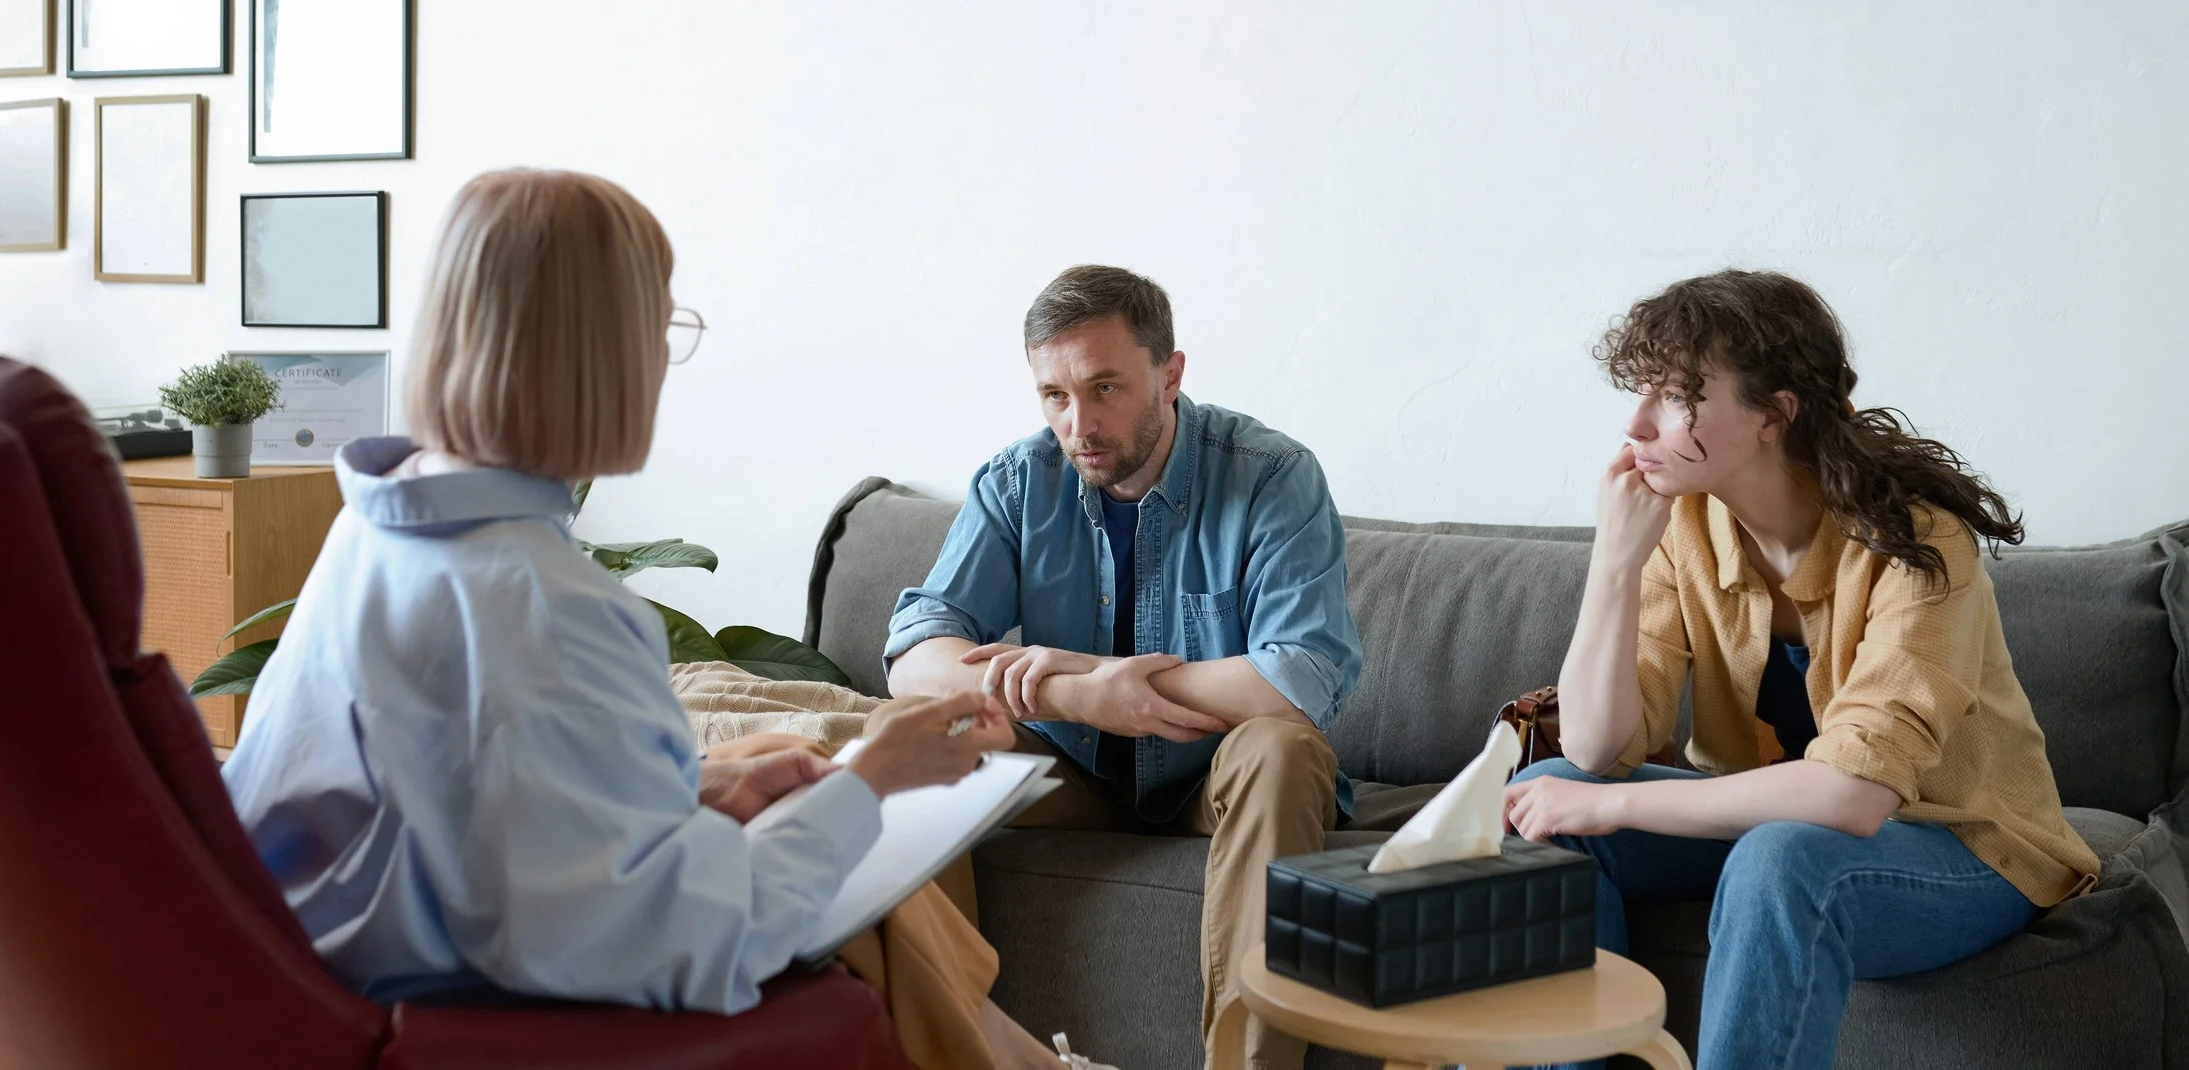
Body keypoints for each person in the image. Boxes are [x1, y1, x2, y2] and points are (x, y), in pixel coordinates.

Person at [221, 168, 1100, 1070]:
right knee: (849, 843)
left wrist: (696, 792)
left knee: (767, 765)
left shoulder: (379, 521)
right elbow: (696, 942)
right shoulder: (550, 606)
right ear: (598, 350)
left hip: (324, 957)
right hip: (453, 1003)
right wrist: (869, 781)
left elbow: (463, 789)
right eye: (660, 326)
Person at [1505, 269, 2099, 1070]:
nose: (1636, 424)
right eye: (1640, 391)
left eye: (1678, 397)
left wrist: (1608, 811)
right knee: (1536, 822)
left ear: (1773, 415)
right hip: (1766, 827)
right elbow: (1597, 745)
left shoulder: (1919, 541)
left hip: (1957, 845)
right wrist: (1612, 565)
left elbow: (1853, 798)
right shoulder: (1683, 525)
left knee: (1780, 859)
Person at [887, 265, 1408, 1070]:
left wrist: (1118, 682)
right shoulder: (1019, 481)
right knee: (920, 733)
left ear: (1171, 375)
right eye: (1054, 396)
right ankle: (952, 1051)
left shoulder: (1272, 476)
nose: (1078, 424)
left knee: (1283, 748)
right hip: (1074, 776)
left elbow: (1298, 681)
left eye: (1104, 388)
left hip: (1216, 779)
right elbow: (915, 658)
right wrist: (1081, 695)